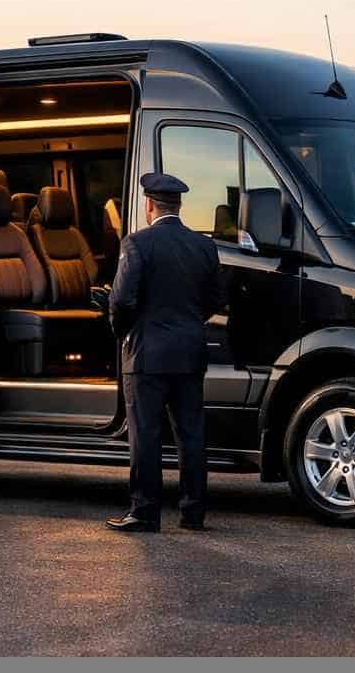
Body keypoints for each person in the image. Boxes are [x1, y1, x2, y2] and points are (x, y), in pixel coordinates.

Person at [105, 172, 227, 533]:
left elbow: (122, 299)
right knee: (191, 434)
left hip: (146, 354)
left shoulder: (137, 243)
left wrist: (123, 332)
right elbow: (217, 298)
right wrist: (189, 323)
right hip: (190, 352)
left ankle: (144, 512)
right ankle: (193, 513)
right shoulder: (203, 246)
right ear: (178, 205)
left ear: (148, 204)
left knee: (145, 435)